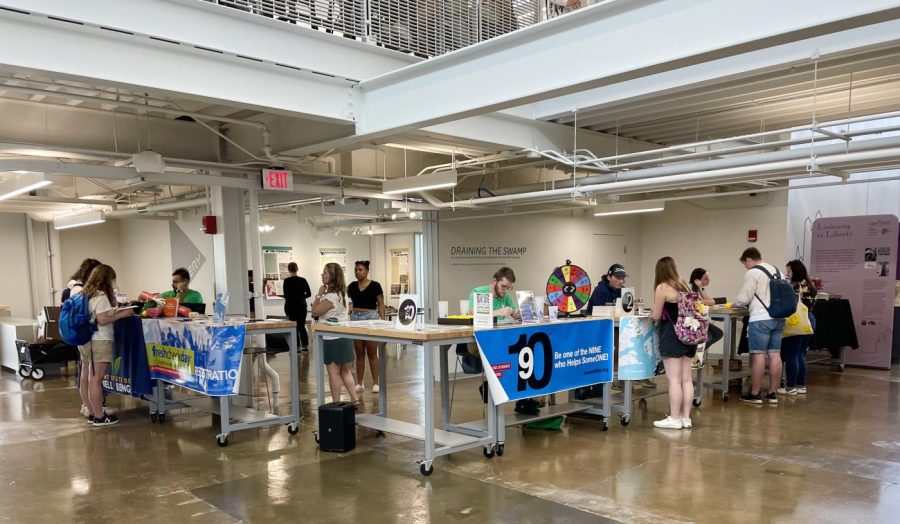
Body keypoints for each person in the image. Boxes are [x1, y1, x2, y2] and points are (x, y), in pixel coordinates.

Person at [77, 264, 134, 427]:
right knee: (96, 379)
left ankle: (92, 412)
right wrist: (122, 314)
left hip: (85, 340)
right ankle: (100, 417)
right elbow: (102, 320)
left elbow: (96, 316)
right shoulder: (100, 296)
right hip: (100, 340)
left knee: (85, 377)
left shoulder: (84, 294)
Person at [650, 257, 698, 429]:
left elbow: (656, 316)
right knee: (686, 379)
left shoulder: (662, 287)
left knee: (674, 380)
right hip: (689, 335)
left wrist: (651, 315)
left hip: (672, 335)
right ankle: (686, 418)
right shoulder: (683, 283)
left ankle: (675, 418)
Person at [733, 247, 784, 405]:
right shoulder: (778, 271)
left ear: (748, 259)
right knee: (775, 355)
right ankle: (772, 393)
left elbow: (744, 298)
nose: (746, 267)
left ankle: (755, 394)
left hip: (761, 318)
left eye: (745, 264)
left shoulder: (753, 273)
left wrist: (735, 304)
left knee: (758, 355)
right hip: (779, 318)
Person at [311, 263, 360, 409]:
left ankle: (336, 403)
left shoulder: (331, 296)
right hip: (343, 335)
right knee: (343, 369)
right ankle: (355, 400)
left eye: (325, 272)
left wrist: (319, 294)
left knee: (333, 372)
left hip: (332, 338)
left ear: (331, 276)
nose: (322, 275)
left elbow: (314, 311)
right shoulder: (342, 294)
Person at [779, 260, 817, 396]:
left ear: (795, 271)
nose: (787, 274)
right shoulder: (809, 285)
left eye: (789, 271)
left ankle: (790, 387)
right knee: (801, 354)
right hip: (810, 320)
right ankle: (801, 385)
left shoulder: (795, 286)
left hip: (797, 321)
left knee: (791, 355)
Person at [347, 261, 386, 393]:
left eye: (360, 270)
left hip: (371, 318)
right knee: (359, 353)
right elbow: (348, 303)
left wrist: (383, 321)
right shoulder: (351, 286)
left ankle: (376, 383)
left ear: (367, 271)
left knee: (372, 353)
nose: (358, 272)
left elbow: (381, 304)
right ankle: (359, 382)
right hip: (356, 318)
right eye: (356, 270)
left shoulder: (375, 286)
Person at [689, 268, 724, 350]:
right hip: (691, 321)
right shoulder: (689, 288)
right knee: (709, 337)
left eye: (708, 277)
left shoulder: (698, 288)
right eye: (705, 278)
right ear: (697, 280)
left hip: (699, 320)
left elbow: (711, 301)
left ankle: (696, 356)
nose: (708, 280)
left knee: (718, 333)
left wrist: (701, 287)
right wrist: (708, 302)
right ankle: (695, 357)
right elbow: (709, 302)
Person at [282, 262, 312, 351]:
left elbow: (286, 295)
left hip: (290, 306)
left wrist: (291, 297)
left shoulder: (286, 281)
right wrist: (301, 297)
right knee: (302, 326)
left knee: (293, 326)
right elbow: (309, 294)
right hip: (301, 306)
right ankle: (305, 346)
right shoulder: (303, 280)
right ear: (297, 269)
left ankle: (297, 347)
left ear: (289, 270)